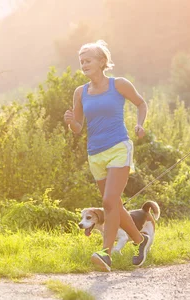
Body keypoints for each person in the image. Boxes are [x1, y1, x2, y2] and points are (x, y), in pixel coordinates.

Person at [64, 40, 150, 272]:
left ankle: (106, 253)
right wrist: (72, 122)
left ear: (102, 62)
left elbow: (141, 103)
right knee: (114, 204)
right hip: (95, 154)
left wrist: (140, 125)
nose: (84, 64)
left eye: (88, 60)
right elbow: (79, 127)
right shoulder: (80, 92)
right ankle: (140, 240)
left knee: (108, 201)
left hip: (119, 147)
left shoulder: (118, 84)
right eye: (81, 61)